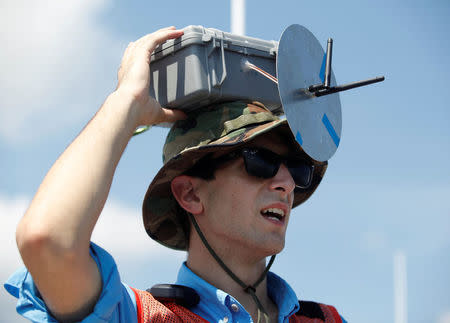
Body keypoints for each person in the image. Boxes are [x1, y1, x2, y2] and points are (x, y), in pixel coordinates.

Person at [5, 27, 346, 323]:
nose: (286, 183)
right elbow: (47, 241)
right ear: (190, 194)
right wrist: (127, 102)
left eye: (298, 170)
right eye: (259, 161)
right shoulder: (140, 317)